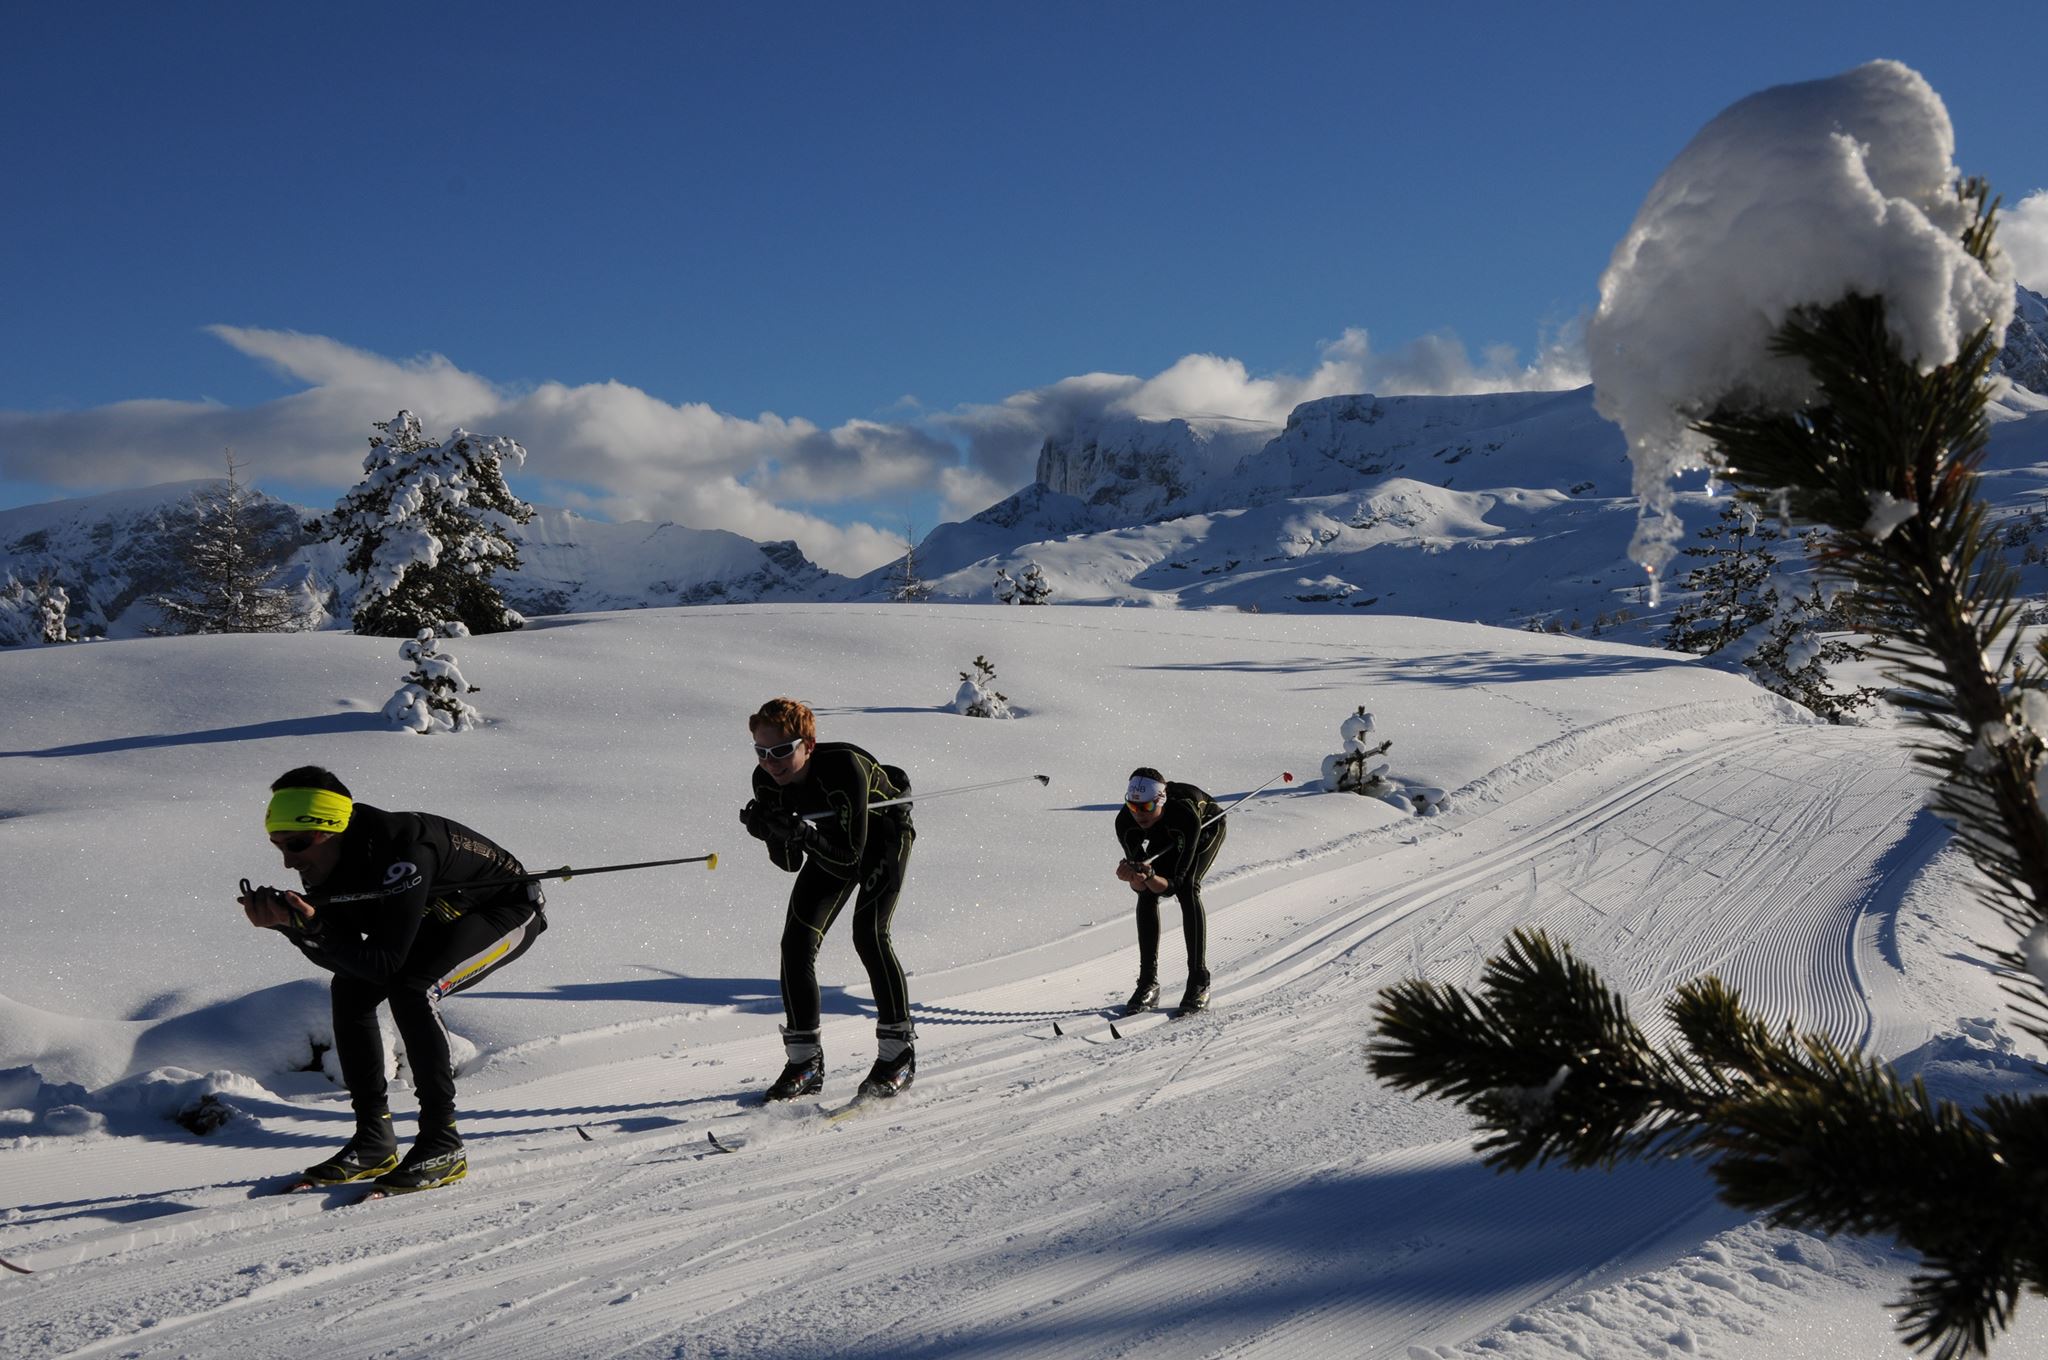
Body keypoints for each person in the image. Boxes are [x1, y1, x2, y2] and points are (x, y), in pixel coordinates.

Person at [237, 766, 546, 1192]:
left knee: (414, 989)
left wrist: (310, 930)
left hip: (503, 910)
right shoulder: (324, 862)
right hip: (434, 917)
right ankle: (374, 1140)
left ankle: (442, 1142)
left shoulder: (404, 850)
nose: (289, 861)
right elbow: (349, 960)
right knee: (349, 990)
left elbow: (383, 962)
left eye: (297, 844)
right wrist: (295, 928)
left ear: (330, 829)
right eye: (278, 846)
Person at [739, 697, 917, 1102]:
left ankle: (898, 1055)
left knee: (869, 934)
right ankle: (805, 1062)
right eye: (762, 752)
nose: (771, 762)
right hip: (829, 845)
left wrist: (804, 835)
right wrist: (771, 832)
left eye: (782, 751)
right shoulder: (765, 780)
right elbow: (789, 862)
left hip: (883, 835)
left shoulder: (844, 767)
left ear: (809, 745)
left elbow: (852, 858)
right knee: (796, 943)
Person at [1112, 768, 1225, 1017]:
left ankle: (1199, 979)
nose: (1139, 814)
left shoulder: (1186, 817)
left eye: (1146, 807)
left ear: (1160, 801)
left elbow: (1174, 886)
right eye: (1133, 806)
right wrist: (1135, 878)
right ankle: (1147, 981)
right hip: (1166, 829)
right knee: (1146, 895)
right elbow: (1143, 885)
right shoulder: (1125, 822)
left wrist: (1150, 876)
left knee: (1188, 890)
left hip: (1205, 827)